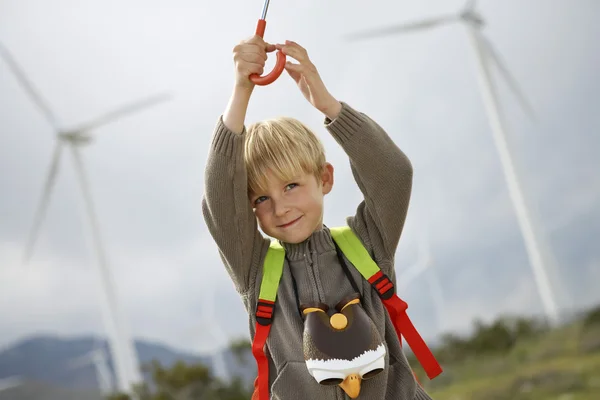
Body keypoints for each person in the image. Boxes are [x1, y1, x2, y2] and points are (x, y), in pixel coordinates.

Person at [202, 35, 435, 399]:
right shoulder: (256, 270)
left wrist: (328, 106)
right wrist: (240, 91)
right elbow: (220, 201)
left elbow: (393, 175)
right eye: (261, 197)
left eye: (291, 186)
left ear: (325, 178)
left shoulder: (367, 244)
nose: (280, 208)